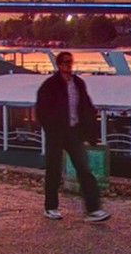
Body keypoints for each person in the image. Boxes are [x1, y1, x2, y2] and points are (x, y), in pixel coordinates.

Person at [35, 51, 109, 222]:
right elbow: (41, 110)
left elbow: (87, 108)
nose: (69, 65)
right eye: (66, 62)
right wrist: (51, 128)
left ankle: (94, 209)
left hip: (74, 131)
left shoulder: (78, 84)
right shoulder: (50, 85)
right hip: (56, 133)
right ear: (59, 65)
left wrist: (91, 134)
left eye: (71, 62)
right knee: (53, 170)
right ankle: (51, 207)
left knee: (84, 169)